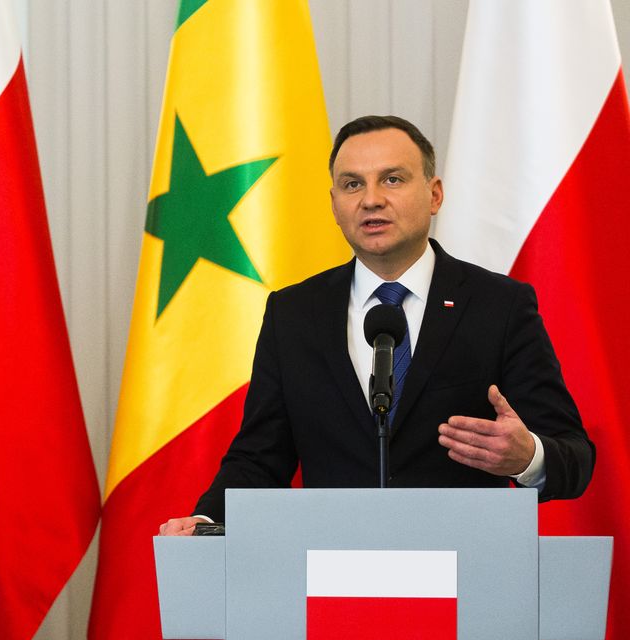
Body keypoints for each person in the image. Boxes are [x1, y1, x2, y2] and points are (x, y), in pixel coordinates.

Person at [161, 115, 594, 535]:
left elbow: (575, 458)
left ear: (435, 194)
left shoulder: (498, 306)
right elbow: (259, 457)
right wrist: (205, 524)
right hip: (334, 577)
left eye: (392, 179)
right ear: (334, 205)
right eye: (352, 184)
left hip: (463, 575)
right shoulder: (293, 313)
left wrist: (526, 457)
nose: (371, 199)